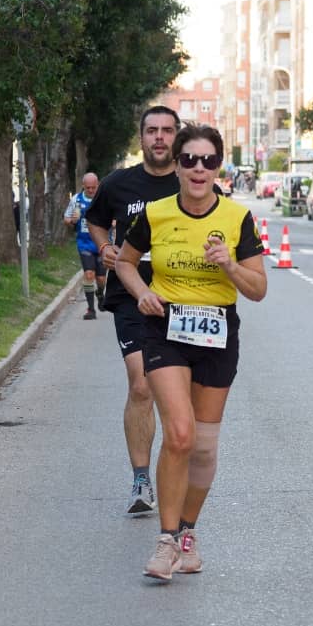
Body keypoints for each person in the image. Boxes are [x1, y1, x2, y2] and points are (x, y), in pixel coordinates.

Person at [115, 124, 267, 581]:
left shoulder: (238, 218)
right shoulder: (156, 214)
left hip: (217, 336)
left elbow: (258, 289)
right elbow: (125, 262)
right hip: (165, 329)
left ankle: (187, 533)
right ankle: (165, 543)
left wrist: (230, 265)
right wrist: (142, 292)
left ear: (218, 168)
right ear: (177, 166)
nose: (199, 169)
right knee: (179, 434)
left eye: (208, 161)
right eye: (190, 160)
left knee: (202, 447)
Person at [87, 105, 182, 515]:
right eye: (152, 130)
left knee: (177, 392)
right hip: (130, 294)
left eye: (167, 131)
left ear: (177, 137)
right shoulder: (118, 183)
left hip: (181, 297)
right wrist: (105, 247)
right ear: (141, 138)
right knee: (141, 384)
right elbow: (94, 220)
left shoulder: (190, 183)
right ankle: (141, 479)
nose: (159, 137)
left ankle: (176, 469)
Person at [63, 172, 104, 320]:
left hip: (102, 243)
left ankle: (100, 293)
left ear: (98, 185)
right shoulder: (76, 199)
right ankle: (91, 309)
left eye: (93, 187)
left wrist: (113, 222)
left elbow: (115, 217)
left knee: (101, 279)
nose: (91, 190)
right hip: (84, 243)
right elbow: (66, 218)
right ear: (83, 186)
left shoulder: (104, 198)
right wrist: (72, 221)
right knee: (89, 275)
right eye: (88, 188)